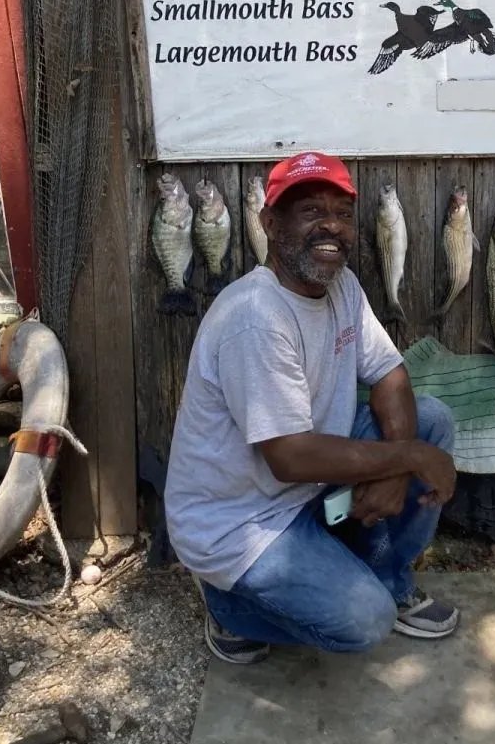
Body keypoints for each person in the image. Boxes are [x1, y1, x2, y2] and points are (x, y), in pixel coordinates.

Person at [165, 151, 461, 665]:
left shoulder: (340, 284)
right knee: (365, 622)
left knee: (431, 418)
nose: (331, 226)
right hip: (242, 521)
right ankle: (228, 603)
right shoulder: (255, 317)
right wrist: (408, 458)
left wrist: (398, 465)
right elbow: (291, 457)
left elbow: (389, 374)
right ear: (270, 223)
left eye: (342, 213)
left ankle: (391, 578)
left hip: (308, 491)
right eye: (310, 212)